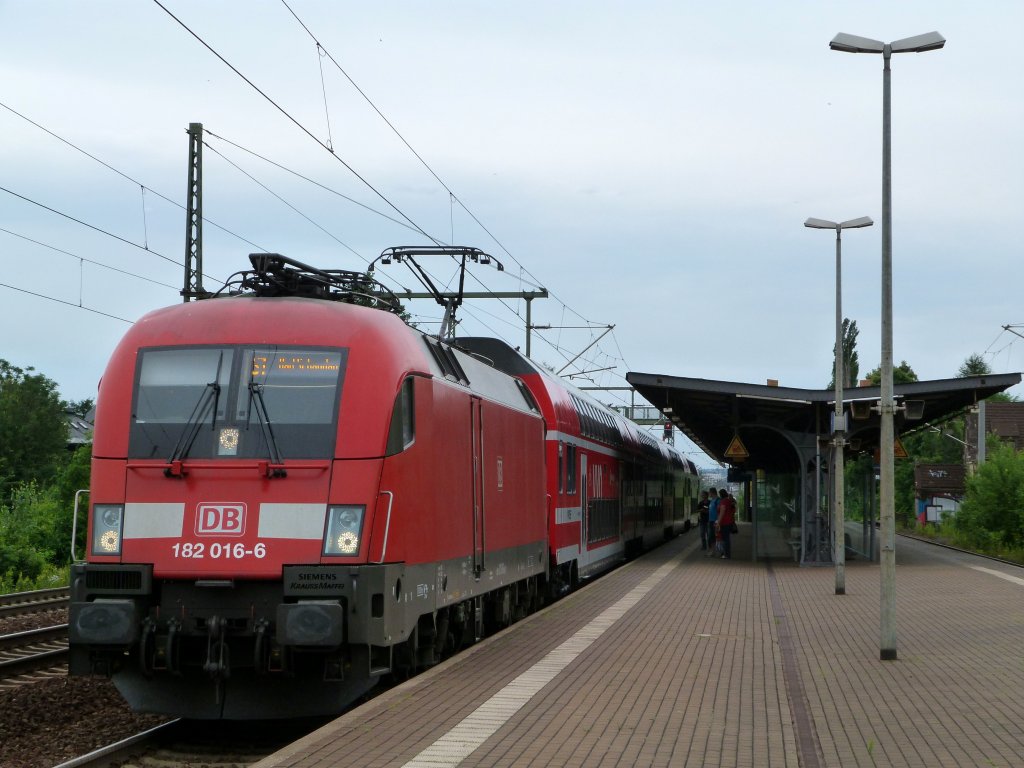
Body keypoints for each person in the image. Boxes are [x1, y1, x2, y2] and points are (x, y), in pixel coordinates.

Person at [717, 488, 736, 559]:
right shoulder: (728, 501)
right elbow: (733, 510)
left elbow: (722, 512)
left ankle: (726, 554)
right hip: (729, 522)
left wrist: (718, 522)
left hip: (724, 522)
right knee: (726, 538)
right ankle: (727, 554)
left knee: (724, 539)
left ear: (721, 495)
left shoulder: (723, 501)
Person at [706, 487, 719, 556]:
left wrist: (718, 521)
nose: (709, 494)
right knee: (711, 537)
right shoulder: (712, 500)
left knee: (713, 536)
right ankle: (712, 551)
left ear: (712, 492)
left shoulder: (717, 500)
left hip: (715, 521)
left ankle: (713, 551)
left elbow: (719, 511)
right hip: (710, 521)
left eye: (709, 492)